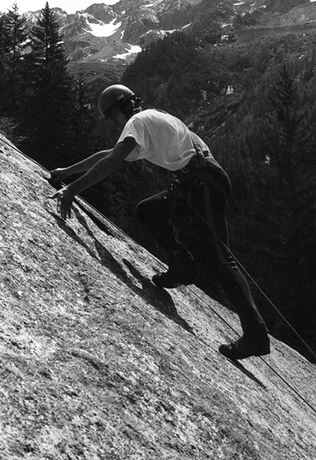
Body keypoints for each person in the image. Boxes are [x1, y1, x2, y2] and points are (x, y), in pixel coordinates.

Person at [50, 84, 269, 360]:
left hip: (201, 181)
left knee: (220, 258)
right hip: (198, 180)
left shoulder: (137, 122)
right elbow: (109, 154)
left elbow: (114, 159)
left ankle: (256, 336)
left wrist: (72, 189)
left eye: (112, 119)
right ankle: (182, 266)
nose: (115, 125)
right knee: (149, 210)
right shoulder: (150, 119)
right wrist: (66, 172)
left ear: (118, 112)